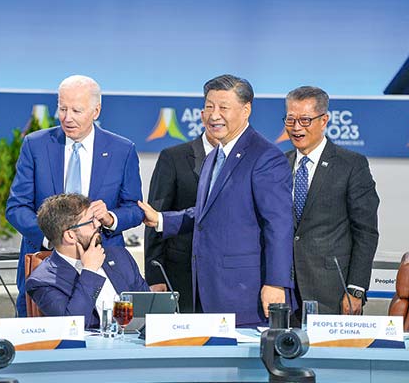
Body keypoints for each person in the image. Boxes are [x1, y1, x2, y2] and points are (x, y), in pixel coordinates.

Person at [139, 74, 294, 327]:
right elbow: (208, 213)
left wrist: (276, 283)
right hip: (205, 289)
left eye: (223, 107)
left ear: (246, 110)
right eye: (209, 106)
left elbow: (279, 225)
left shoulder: (265, 157)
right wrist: (162, 219)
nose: (214, 115)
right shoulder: (215, 156)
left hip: (246, 296)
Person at [6, 75, 144, 317]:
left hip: (103, 260)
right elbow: (16, 208)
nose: (67, 118)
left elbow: (134, 208)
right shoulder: (35, 145)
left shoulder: (122, 150)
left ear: (96, 111)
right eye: (62, 109)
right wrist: (54, 238)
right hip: (47, 261)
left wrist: (111, 218)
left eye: (76, 110)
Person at [284, 86, 379, 318]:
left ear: (324, 120)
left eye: (305, 120)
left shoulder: (351, 165)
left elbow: (365, 232)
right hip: (285, 294)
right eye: (291, 119)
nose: (297, 128)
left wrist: (356, 289)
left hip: (332, 294)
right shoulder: (279, 165)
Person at [26, 193, 148, 328]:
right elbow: (72, 326)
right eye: (91, 221)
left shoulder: (120, 256)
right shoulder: (42, 281)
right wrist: (89, 270)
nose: (98, 224)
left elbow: (149, 310)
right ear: (70, 236)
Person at [144, 114, 219, 312]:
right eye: (211, 108)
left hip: (226, 278)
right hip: (181, 274)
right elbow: (155, 216)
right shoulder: (173, 157)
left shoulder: (244, 160)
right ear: (203, 117)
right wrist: (155, 275)